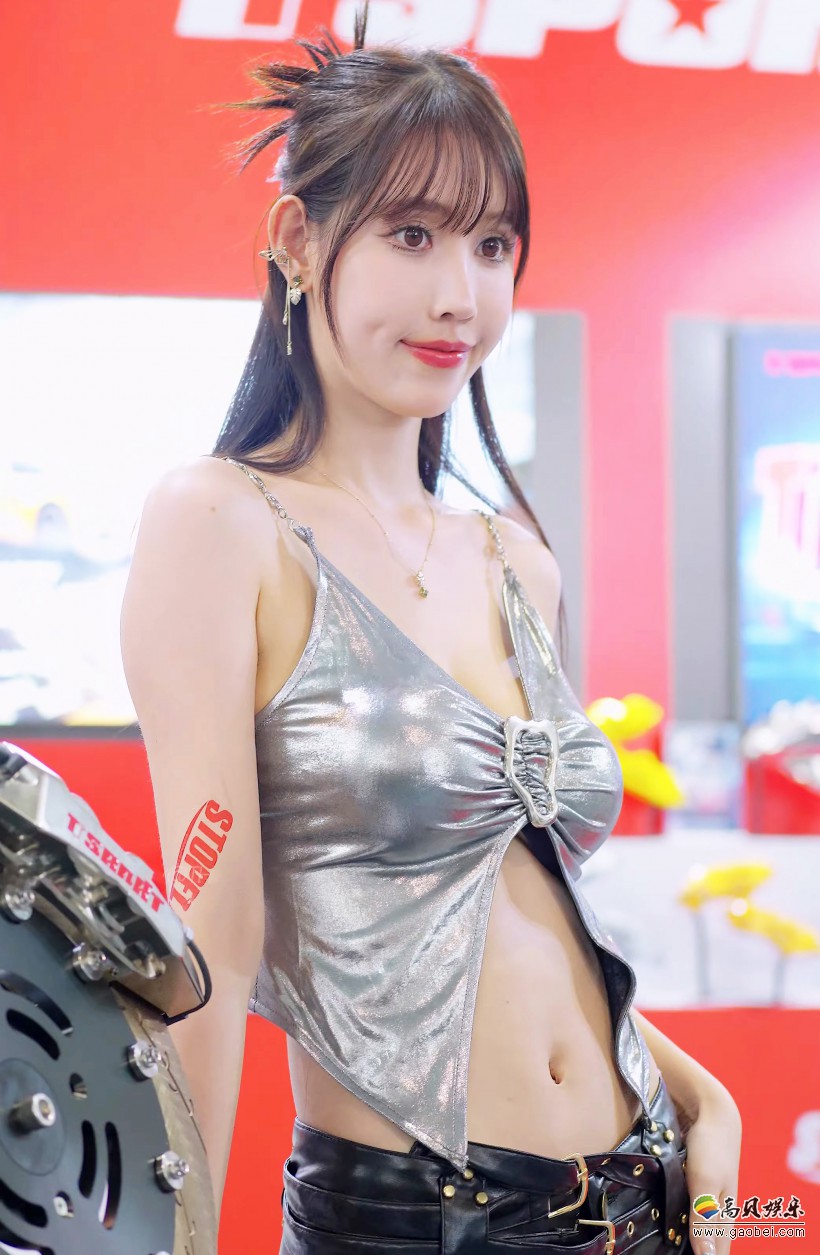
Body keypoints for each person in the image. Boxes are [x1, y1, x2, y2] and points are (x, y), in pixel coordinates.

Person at [119, 5, 741, 1252]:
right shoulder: (221, 524)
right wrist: (170, 1241)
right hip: (418, 1217)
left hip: (655, 1192)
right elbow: (208, 956)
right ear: (300, 241)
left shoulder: (516, 559)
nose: (460, 296)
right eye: (411, 235)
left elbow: (524, 912)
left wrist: (703, 1098)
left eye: (492, 244)